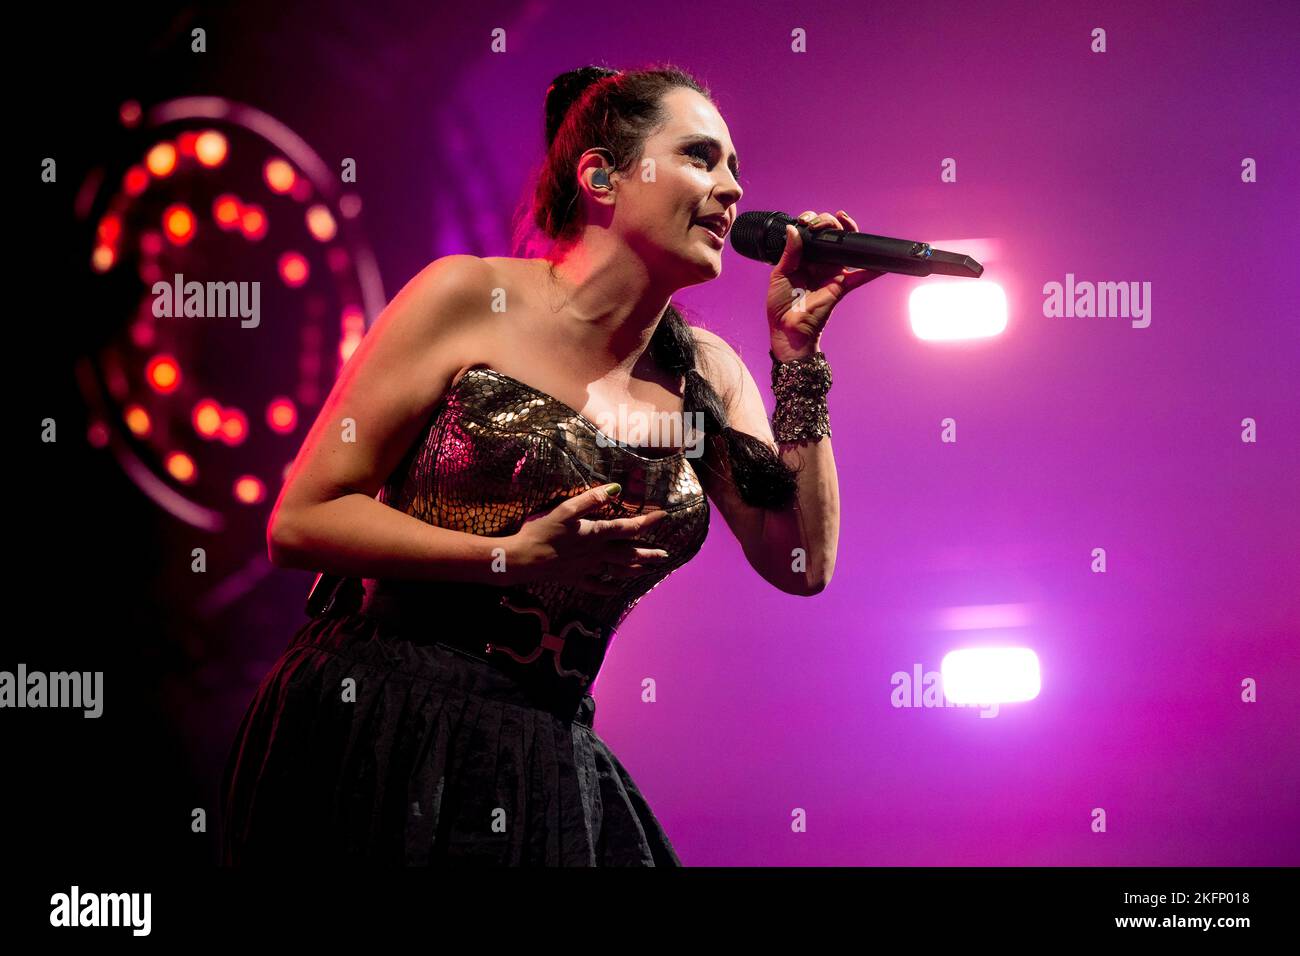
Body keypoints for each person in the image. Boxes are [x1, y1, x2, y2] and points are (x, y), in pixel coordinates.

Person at [218, 63, 881, 866]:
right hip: (379, 716)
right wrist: (508, 556)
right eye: (702, 157)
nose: (733, 189)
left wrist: (798, 356)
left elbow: (800, 563)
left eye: (736, 168)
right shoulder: (466, 297)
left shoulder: (706, 375)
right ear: (601, 176)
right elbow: (302, 519)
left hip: (539, 743)